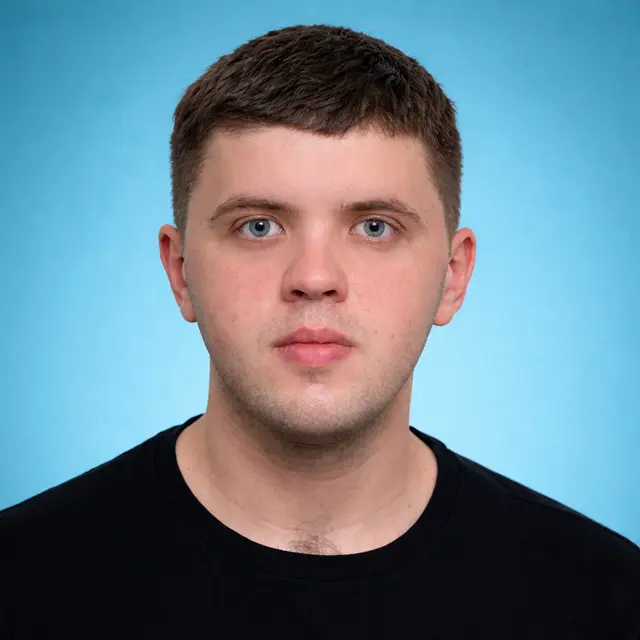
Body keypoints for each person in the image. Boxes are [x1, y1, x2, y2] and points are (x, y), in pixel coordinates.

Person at [1, 23, 638, 639]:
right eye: (258, 226)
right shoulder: (19, 583)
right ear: (180, 270)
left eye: (374, 227)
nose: (313, 277)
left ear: (453, 275)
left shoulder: (605, 599)